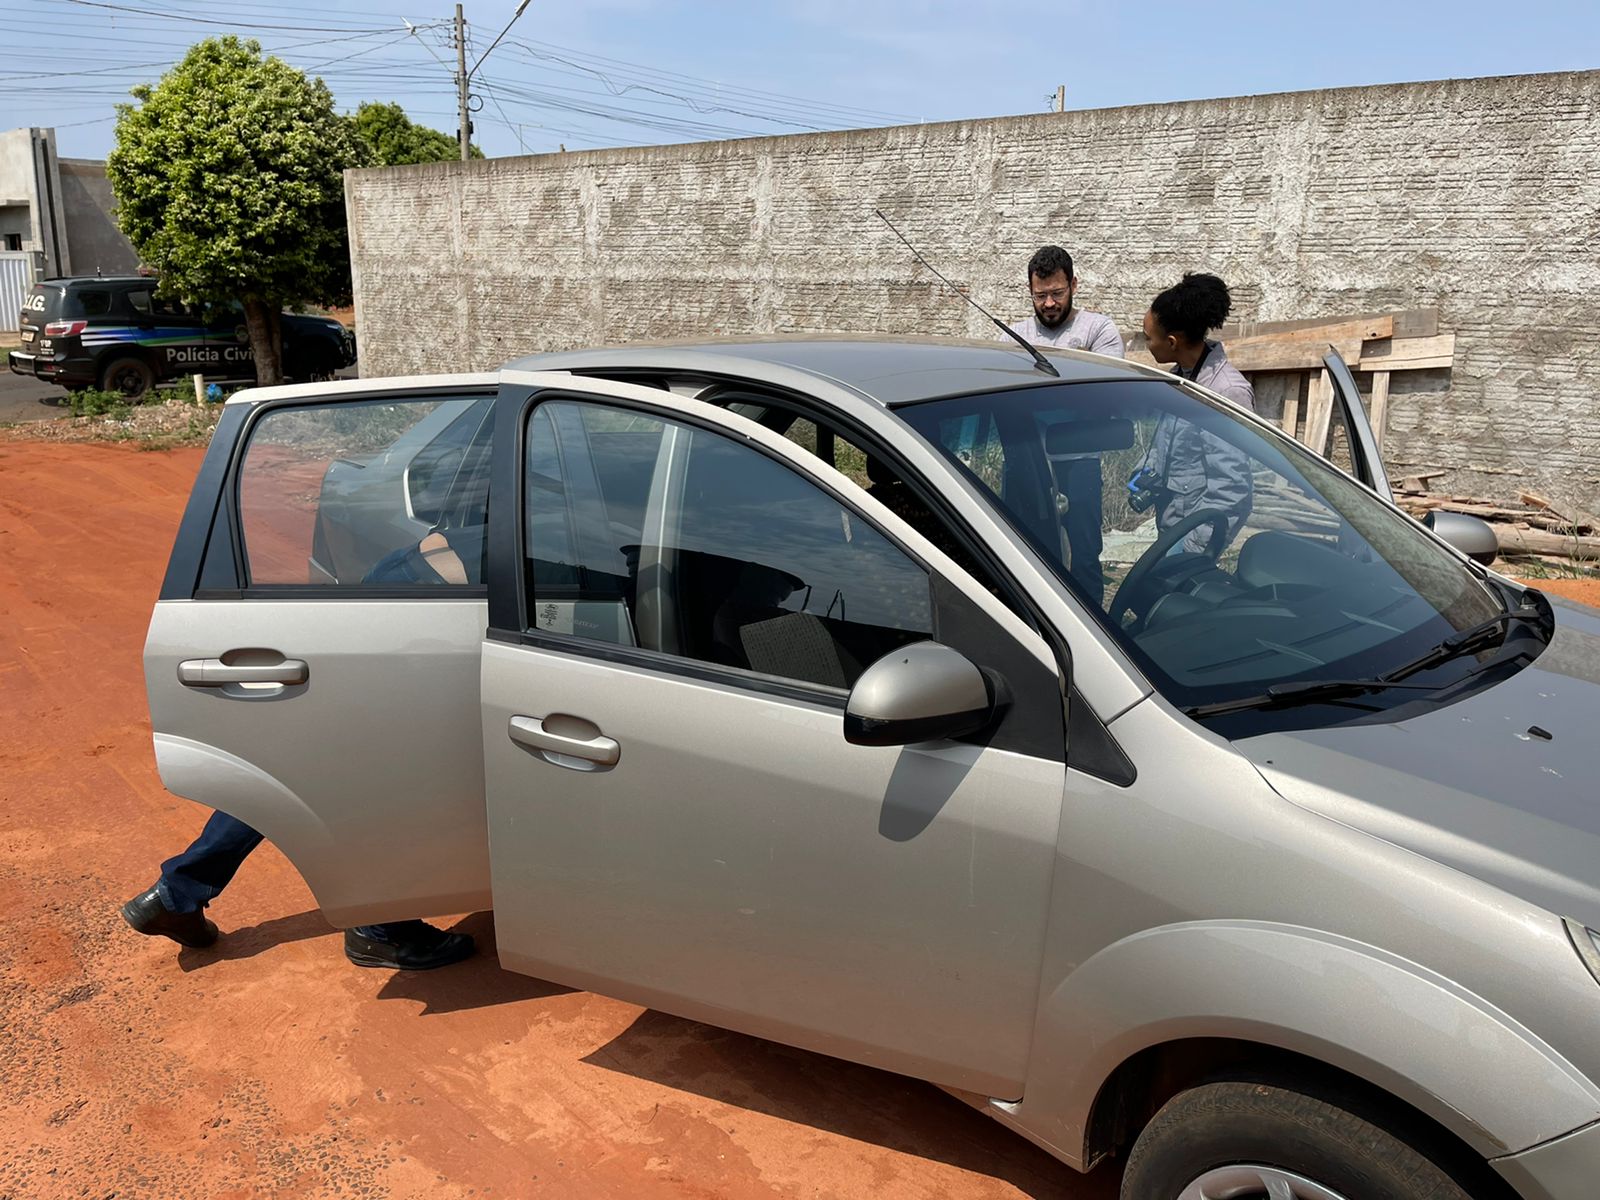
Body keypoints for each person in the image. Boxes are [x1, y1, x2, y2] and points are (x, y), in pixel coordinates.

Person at [119, 528, 480, 971]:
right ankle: (382, 927)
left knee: (319, 763)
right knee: (388, 771)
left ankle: (177, 892)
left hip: (414, 581)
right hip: (439, 607)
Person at [1009, 245, 1125, 606]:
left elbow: (1102, 395)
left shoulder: (1099, 330)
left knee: (1084, 556)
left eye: (1057, 293)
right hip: (1024, 464)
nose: (1048, 304)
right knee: (1017, 555)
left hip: (1079, 462)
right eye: (1040, 295)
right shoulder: (1013, 337)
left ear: (1074, 284)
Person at [1131, 272, 1256, 555]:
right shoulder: (1180, 380)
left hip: (1191, 537)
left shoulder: (1225, 392)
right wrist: (1144, 471)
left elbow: (1232, 487)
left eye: (1148, 338)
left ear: (1172, 342)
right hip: (1172, 526)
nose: (1146, 344)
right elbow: (1171, 447)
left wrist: (1194, 549)